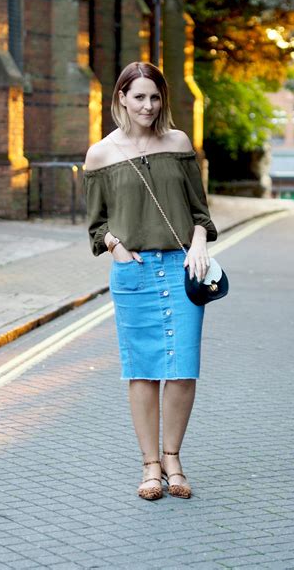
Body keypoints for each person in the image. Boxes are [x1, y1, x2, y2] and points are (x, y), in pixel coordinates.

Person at [83, 61, 218, 500]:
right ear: (121, 97)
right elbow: (95, 226)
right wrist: (116, 247)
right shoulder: (100, 154)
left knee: (181, 370)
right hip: (134, 272)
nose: (148, 105)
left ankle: (174, 459)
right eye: (139, 96)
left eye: (155, 96)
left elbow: (200, 211)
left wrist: (199, 242)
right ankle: (149, 466)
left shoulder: (178, 143)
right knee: (142, 372)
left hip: (183, 269)